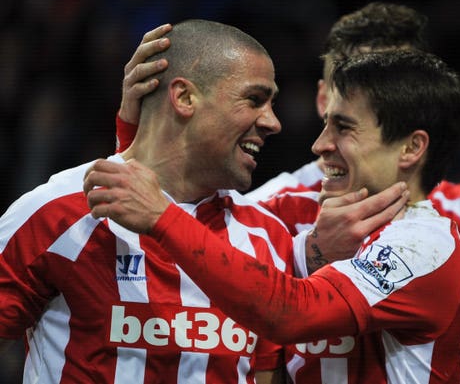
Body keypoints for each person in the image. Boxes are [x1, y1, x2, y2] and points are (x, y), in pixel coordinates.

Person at [0, 19, 408, 384]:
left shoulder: (266, 236)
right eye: (254, 99)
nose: (273, 121)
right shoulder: (55, 213)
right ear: (185, 98)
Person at [85, 49, 460, 383]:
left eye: (344, 128)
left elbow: (291, 313)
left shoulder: (425, 246)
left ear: (411, 148)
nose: (320, 144)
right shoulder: (293, 211)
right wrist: (142, 138)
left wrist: (160, 214)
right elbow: (206, 238)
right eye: (326, 124)